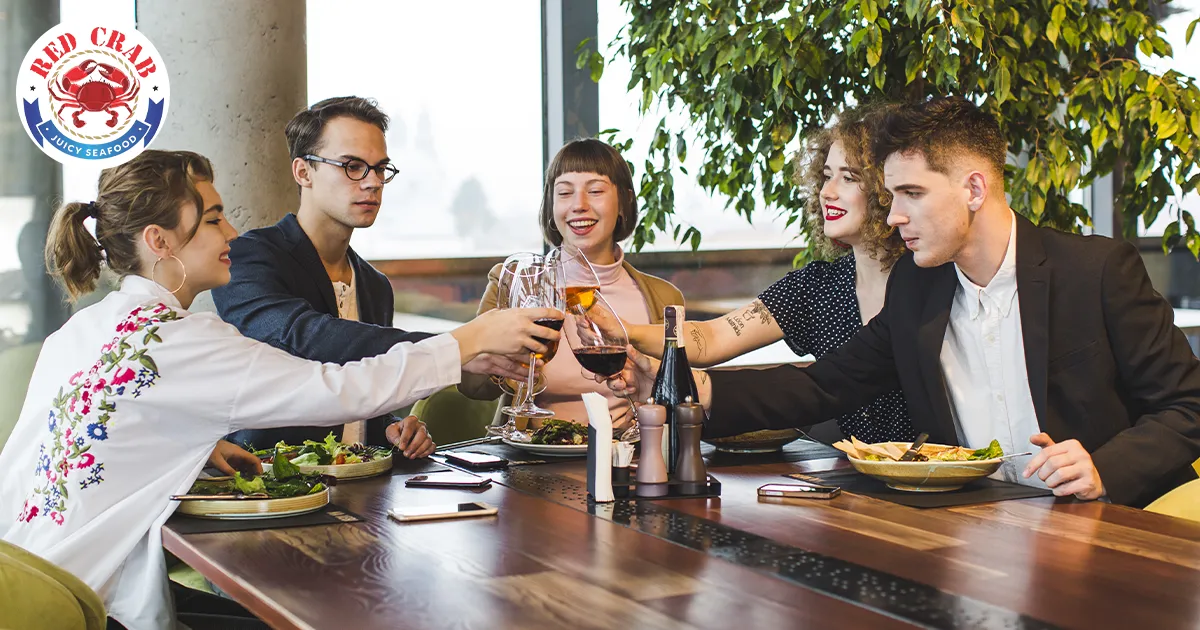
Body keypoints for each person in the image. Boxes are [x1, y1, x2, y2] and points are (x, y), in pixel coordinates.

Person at [0, 150, 559, 629]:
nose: (233, 236)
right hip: (84, 606)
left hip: (24, 582)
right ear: (159, 240)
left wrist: (190, 449)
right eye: (215, 218)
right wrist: (465, 340)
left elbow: (63, 442)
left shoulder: (81, 331)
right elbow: (341, 391)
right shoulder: (184, 341)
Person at [611, 96, 1200, 507]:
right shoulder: (919, 288)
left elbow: (1187, 406)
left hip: (1110, 527)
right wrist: (678, 384)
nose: (894, 217)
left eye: (911, 194)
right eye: (891, 195)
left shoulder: (1094, 270)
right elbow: (825, 385)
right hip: (979, 525)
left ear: (974, 188)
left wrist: (1103, 468)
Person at [212, 96, 526, 453]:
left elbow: (363, 388)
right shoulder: (248, 258)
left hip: (361, 488)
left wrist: (390, 428)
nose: (372, 182)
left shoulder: (375, 285)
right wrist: (461, 343)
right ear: (303, 172)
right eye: (352, 166)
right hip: (269, 486)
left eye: (380, 169)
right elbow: (304, 337)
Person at [624, 105, 914, 443]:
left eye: (848, 178)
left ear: (886, 189)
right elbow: (713, 337)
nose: (827, 192)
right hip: (855, 480)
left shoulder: (926, 284)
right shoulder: (815, 288)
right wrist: (625, 332)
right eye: (825, 176)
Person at [458, 138, 683, 428]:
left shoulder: (664, 297)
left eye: (596, 191)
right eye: (564, 192)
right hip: (532, 461)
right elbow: (472, 387)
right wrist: (498, 353)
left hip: (630, 460)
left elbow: (683, 397)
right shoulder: (514, 282)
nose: (579, 205)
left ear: (624, 201)